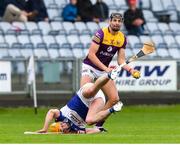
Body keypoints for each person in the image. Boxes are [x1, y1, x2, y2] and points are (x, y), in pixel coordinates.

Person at [81, 12, 140, 113]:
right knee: (85, 96)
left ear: (122, 23)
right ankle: (75, 123)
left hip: (104, 71)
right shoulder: (101, 33)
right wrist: (106, 69)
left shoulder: (122, 38)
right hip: (90, 67)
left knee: (114, 99)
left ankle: (97, 120)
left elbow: (120, 60)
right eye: (114, 20)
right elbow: (91, 55)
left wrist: (131, 70)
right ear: (110, 21)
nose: (117, 23)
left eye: (119, 21)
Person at [36, 70, 123, 134]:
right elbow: (91, 130)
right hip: (97, 100)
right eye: (62, 129)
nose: (62, 125)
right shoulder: (75, 130)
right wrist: (99, 130)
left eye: (60, 125)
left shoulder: (61, 116)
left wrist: (45, 128)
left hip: (83, 95)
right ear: (66, 132)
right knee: (89, 121)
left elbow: (51, 112)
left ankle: (108, 76)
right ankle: (113, 109)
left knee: (90, 92)